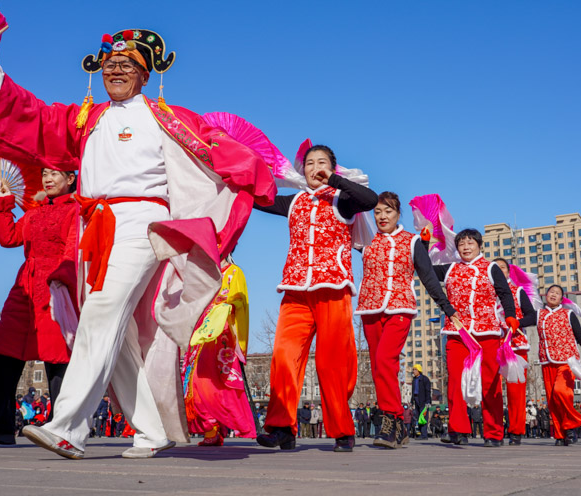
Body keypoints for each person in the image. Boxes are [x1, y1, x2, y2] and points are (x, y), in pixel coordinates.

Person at [0, 30, 274, 459]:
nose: (116, 70)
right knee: (120, 335)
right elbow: (33, 114)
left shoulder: (167, 118)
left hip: (143, 222)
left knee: (101, 312)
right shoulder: (85, 119)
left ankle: (68, 427)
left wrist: (263, 176)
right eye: (110, 64)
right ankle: (150, 431)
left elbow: (220, 151)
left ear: (145, 75)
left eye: (127, 65)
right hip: (94, 227)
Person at [254, 144, 377, 453]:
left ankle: (342, 429)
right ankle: (282, 428)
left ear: (333, 168)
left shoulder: (343, 200)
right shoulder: (294, 201)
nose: (314, 167)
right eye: (309, 163)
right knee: (284, 357)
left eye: (322, 162)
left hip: (333, 289)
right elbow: (256, 198)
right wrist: (231, 170)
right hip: (295, 291)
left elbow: (370, 199)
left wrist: (334, 180)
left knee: (331, 362)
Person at [0, 168, 79, 445]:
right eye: (44, 174)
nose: (48, 179)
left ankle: (62, 427)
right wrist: (4, 203)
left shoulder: (76, 210)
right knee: (4, 350)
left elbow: (73, 248)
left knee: (57, 357)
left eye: (55, 174)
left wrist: (64, 279)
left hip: (56, 287)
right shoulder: (33, 213)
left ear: (70, 179)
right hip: (24, 289)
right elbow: (8, 239)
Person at [355, 191, 454, 448]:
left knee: (385, 359)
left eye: (388, 211)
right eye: (377, 212)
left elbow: (428, 277)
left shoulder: (412, 242)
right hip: (370, 309)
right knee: (379, 368)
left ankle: (390, 419)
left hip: (400, 307)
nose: (382, 216)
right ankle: (398, 424)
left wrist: (447, 308)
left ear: (398, 214)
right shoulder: (365, 239)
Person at [431, 229, 518, 447]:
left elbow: (505, 293)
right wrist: (424, 244)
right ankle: (458, 430)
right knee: (455, 381)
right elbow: (425, 270)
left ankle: (494, 432)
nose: (466, 247)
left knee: (490, 382)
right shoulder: (450, 268)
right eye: (461, 244)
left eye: (470, 243)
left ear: (479, 246)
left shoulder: (491, 268)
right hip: (457, 333)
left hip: (486, 332)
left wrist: (510, 315)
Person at [183, 258, 254, 446]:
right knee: (197, 383)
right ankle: (211, 429)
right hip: (201, 333)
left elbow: (240, 301)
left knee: (215, 385)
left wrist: (226, 307)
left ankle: (218, 428)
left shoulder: (233, 272)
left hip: (221, 336)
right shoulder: (204, 272)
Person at [536, 285, 581, 446]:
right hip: (547, 361)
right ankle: (561, 435)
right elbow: (522, 320)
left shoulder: (568, 314)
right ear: (546, 295)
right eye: (551, 292)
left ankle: (572, 422)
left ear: (561, 299)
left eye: (557, 293)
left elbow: (580, 336)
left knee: (561, 392)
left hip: (567, 361)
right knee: (552, 400)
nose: (553, 295)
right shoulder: (539, 314)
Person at [492, 258, 536, 446]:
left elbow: (532, 316)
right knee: (491, 390)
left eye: (502, 268)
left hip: (515, 345)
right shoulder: (484, 292)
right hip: (490, 344)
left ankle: (516, 431)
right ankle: (493, 431)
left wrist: (517, 323)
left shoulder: (517, 291)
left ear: (509, 272)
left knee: (515, 392)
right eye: (495, 268)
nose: (498, 270)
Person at [411, 365, 432, 440]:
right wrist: (412, 401)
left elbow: (428, 391)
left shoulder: (425, 379)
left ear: (419, 370)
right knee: (418, 417)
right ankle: (421, 433)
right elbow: (413, 391)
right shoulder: (414, 380)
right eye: (413, 370)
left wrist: (428, 401)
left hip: (424, 401)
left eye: (415, 370)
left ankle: (424, 435)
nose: (413, 371)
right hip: (416, 400)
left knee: (423, 417)